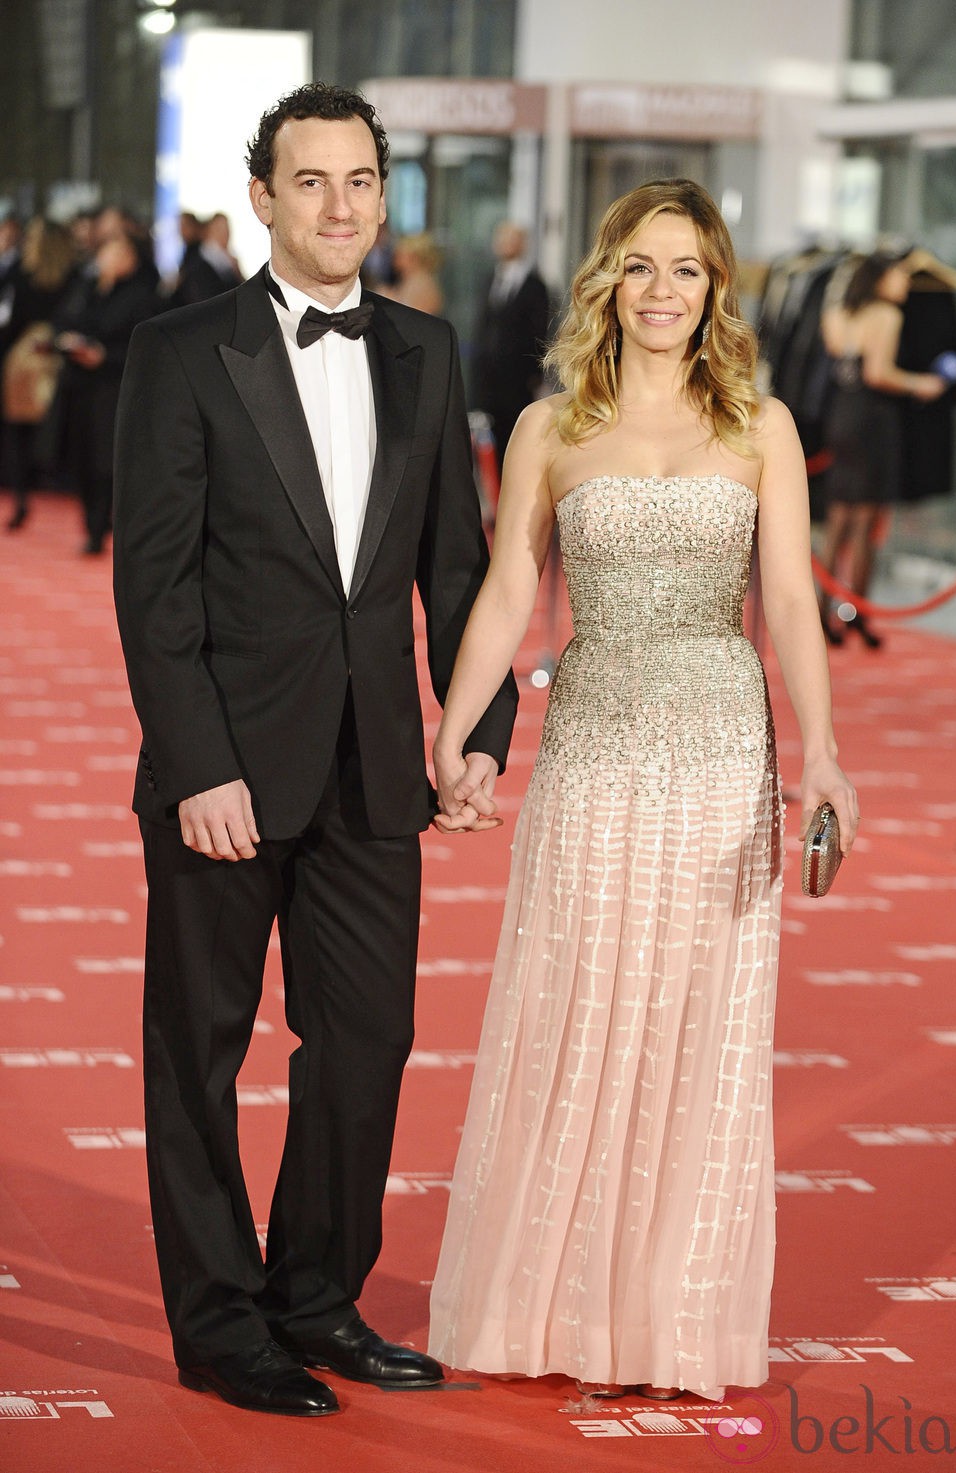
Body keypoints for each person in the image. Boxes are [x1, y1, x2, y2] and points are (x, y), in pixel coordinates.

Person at [112, 81, 518, 1419]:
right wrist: (198, 761)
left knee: (367, 1042)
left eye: (362, 182)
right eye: (312, 182)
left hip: (373, 769)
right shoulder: (181, 350)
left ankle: (319, 1296)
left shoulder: (426, 345)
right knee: (202, 1049)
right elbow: (154, 586)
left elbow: (457, 571)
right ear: (265, 196)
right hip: (224, 771)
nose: (341, 207)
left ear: (383, 195)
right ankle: (221, 1322)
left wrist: (473, 735)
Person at [427, 179, 858, 1402]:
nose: (662, 290)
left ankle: (668, 1315)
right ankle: (541, 1304)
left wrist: (818, 753)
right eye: (641, 266)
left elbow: (784, 603)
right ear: (604, 281)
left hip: (720, 759)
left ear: (716, 289)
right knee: (571, 1014)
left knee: (698, 1030)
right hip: (593, 753)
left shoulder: (760, 424)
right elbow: (508, 592)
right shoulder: (549, 429)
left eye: (686, 269)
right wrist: (451, 731)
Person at [818, 248, 949, 648]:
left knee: (839, 518)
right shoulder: (887, 315)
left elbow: (838, 350)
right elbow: (879, 373)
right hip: (873, 420)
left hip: (843, 413)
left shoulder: (845, 312)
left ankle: (824, 614)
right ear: (880, 278)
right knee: (864, 523)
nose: (906, 283)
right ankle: (857, 613)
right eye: (900, 275)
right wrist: (921, 384)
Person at [55, 230, 159, 553]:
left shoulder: (142, 297)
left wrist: (104, 356)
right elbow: (62, 321)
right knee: (81, 456)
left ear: (131, 260)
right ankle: (92, 522)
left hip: (113, 388)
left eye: (118, 255)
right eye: (106, 255)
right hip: (78, 387)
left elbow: (143, 347)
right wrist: (68, 342)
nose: (110, 262)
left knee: (105, 461)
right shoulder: (84, 289)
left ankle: (99, 527)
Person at [2, 217, 76, 529]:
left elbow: (12, 317)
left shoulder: (21, 271)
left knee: (18, 429)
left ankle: (21, 495)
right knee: (55, 425)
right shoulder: (72, 274)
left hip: (24, 356)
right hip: (57, 354)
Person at [471, 221, 550, 460]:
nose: (505, 245)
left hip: (518, 378)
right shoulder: (490, 278)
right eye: (502, 239)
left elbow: (540, 331)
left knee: (514, 439)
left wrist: (535, 374)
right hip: (489, 378)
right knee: (488, 442)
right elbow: (483, 326)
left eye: (512, 239)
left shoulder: (535, 284)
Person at [375, 231, 444, 315]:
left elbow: (418, 318)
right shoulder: (409, 279)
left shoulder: (421, 282)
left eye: (400, 255)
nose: (395, 258)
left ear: (414, 257)